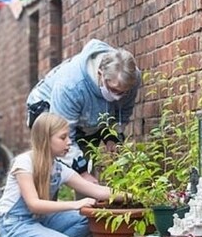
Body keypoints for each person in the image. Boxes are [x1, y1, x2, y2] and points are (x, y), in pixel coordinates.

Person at [0, 113, 122, 237]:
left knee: (89, 217)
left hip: (40, 222)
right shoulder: (24, 163)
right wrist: (75, 204)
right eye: (63, 138)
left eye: (69, 137)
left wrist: (136, 197)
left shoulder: (58, 169)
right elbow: (34, 204)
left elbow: (98, 191)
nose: (69, 142)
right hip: (14, 227)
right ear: (45, 139)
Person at [26, 39, 142, 181]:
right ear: (100, 74)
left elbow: (123, 112)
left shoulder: (132, 77)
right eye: (113, 90)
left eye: (123, 92)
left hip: (88, 117)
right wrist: (82, 173)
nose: (118, 97)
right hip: (48, 109)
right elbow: (63, 134)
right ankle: (45, 201)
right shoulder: (72, 85)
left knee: (86, 169)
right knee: (52, 170)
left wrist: (111, 136)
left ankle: (84, 201)